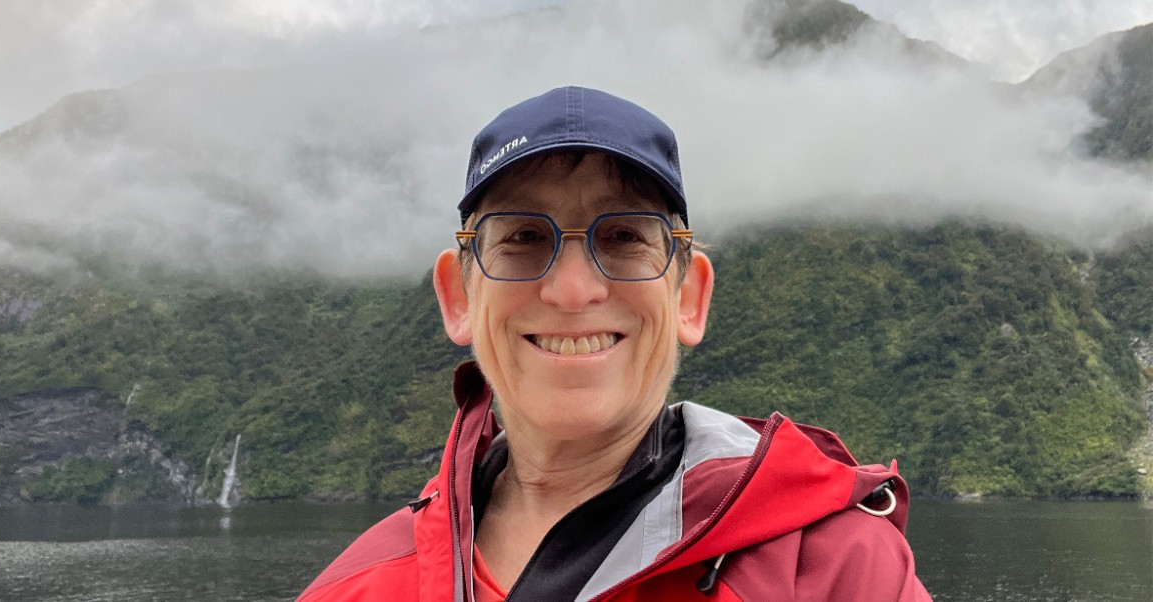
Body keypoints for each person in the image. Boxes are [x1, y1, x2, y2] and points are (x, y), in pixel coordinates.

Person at [297, 86, 932, 601]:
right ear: (459, 298)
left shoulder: (832, 569)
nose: (573, 291)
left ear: (689, 298)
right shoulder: (355, 588)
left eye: (625, 236)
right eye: (523, 237)